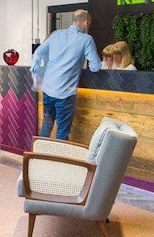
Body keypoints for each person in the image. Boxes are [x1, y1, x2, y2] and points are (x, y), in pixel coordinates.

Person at [31, 9, 101, 140]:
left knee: (46, 125)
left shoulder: (56, 34)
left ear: (73, 21)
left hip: (48, 89)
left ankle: (39, 151)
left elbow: (38, 53)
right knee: (62, 131)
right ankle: (58, 154)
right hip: (65, 93)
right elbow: (95, 67)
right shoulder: (86, 39)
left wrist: (36, 74)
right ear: (86, 22)